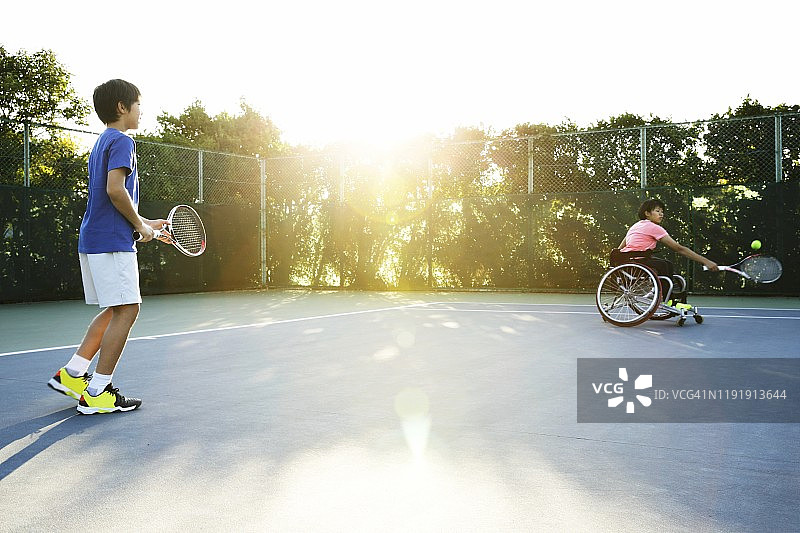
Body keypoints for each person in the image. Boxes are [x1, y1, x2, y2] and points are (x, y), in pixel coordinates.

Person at [47, 79, 166, 414]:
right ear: (122, 107)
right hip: (111, 242)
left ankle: (73, 374)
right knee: (128, 309)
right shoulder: (123, 141)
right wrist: (140, 226)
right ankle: (98, 391)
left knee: (117, 308)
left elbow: (110, 199)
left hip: (96, 238)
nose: (141, 111)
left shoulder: (102, 142)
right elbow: (116, 190)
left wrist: (148, 225)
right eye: (138, 104)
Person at [613, 199, 718, 298]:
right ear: (647, 213)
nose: (661, 214)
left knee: (666, 264)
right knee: (664, 265)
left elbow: (621, 247)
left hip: (627, 262)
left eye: (662, 212)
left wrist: (617, 258)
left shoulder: (635, 226)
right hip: (639, 262)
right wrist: (706, 261)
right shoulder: (654, 228)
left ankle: (661, 292)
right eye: (657, 211)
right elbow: (679, 249)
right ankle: (665, 296)